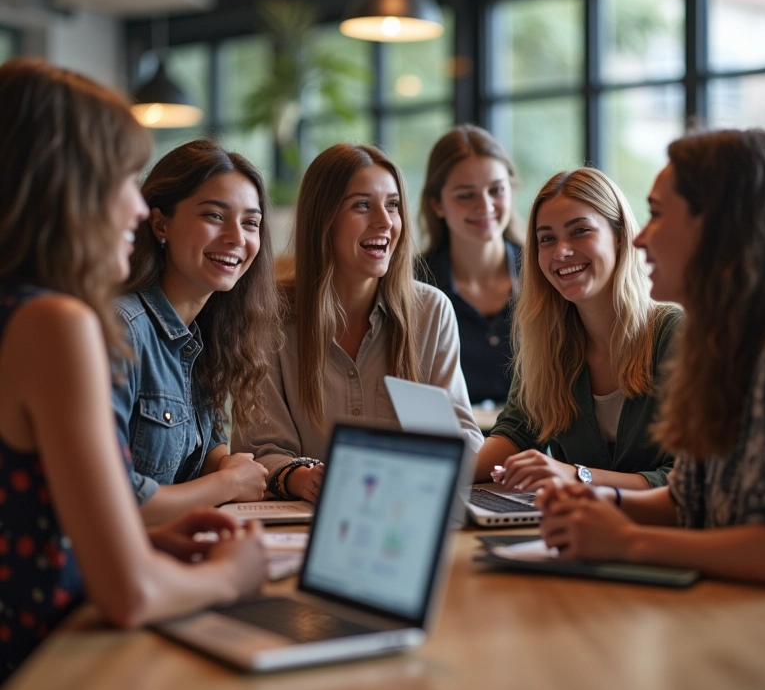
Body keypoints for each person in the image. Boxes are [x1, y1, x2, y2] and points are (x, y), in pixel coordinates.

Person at [0, 58, 267, 682]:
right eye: (122, 179)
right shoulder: (55, 323)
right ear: (63, 185)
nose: (133, 206)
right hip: (44, 662)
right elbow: (131, 596)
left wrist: (143, 540)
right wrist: (236, 574)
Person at [537, 130, 765, 584]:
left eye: (658, 215)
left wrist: (628, 541)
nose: (640, 239)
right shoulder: (720, 347)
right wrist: (603, 504)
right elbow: (686, 500)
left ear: (718, 225)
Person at [233, 143, 483, 502]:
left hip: (406, 506)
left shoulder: (431, 310)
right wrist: (302, 478)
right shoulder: (267, 317)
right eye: (362, 205)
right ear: (324, 218)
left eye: (393, 205)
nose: (385, 222)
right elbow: (259, 450)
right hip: (305, 519)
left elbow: (464, 438)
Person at [113, 139, 283, 525]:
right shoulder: (122, 330)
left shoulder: (205, 335)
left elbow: (202, 451)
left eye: (250, 223)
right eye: (214, 216)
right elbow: (116, 501)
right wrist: (227, 483)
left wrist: (228, 464)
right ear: (160, 223)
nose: (237, 238)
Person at [476, 167, 679, 488]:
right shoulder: (547, 341)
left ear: (620, 236)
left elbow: (687, 481)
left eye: (580, 231)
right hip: (579, 529)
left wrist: (577, 476)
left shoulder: (673, 334)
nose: (561, 251)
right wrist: (439, 474)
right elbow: (515, 433)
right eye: (547, 239)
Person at [418, 125, 525, 405]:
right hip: (452, 444)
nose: (486, 205)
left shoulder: (545, 272)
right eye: (466, 195)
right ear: (436, 204)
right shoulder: (411, 285)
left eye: (496, 190)